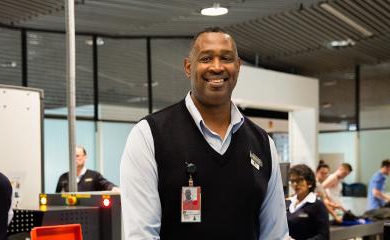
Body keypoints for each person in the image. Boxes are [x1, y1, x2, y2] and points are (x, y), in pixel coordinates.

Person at [120, 27, 289, 239]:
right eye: (206, 58)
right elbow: (141, 235)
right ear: (188, 67)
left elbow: (275, 235)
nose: (217, 67)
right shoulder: (149, 135)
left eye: (226, 58)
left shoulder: (263, 143)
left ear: (238, 66)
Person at [286, 164, 329, 240]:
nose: (295, 184)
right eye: (292, 181)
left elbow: (324, 236)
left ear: (309, 182)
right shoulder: (288, 203)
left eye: (299, 180)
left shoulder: (317, 205)